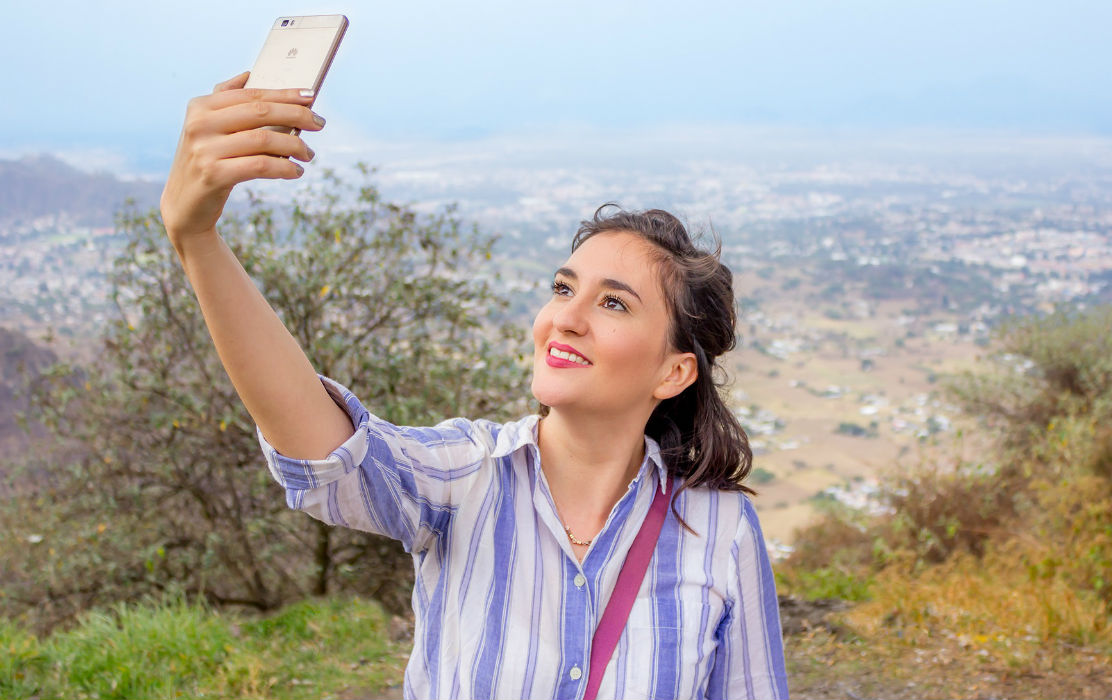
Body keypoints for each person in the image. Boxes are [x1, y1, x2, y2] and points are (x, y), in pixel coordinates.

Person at [161, 72, 789, 700]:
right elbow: (325, 453)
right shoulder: (466, 477)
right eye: (564, 288)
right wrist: (197, 239)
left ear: (674, 372)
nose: (565, 318)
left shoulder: (720, 529)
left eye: (614, 303)